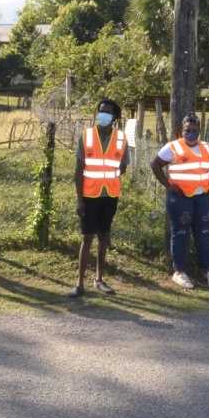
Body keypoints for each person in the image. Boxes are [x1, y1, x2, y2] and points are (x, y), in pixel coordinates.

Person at [152, 114, 209, 289]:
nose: (191, 133)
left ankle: (207, 270)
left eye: (195, 130)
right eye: (188, 130)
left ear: (199, 130)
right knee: (180, 232)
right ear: (181, 131)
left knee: (203, 233)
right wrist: (168, 185)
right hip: (180, 197)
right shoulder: (173, 147)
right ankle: (179, 271)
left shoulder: (207, 147)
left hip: (203, 196)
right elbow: (155, 165)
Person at [69, 99, 129, 298]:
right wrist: (79, 199)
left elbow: (123, 167)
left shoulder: (121, 139)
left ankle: (99, 279)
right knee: (87, 238)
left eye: (107, 112)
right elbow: (79, 169)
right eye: (101, 111)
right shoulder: (86, 136)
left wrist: (108, 175)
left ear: (114, 117)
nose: (102, 115)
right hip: (89, 195)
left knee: (104, 236)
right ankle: (79, 284)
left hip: (110, 195)